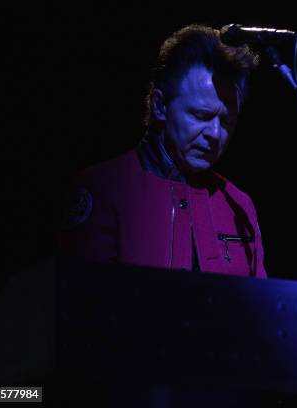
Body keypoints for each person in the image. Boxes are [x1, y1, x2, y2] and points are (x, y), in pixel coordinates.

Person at [59, 24, 266, 278]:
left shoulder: (239, 205)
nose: (214, 133)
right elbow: (79, 302)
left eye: (227, 122)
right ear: (160, 106)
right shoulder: (101, 188)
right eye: (201, 116)